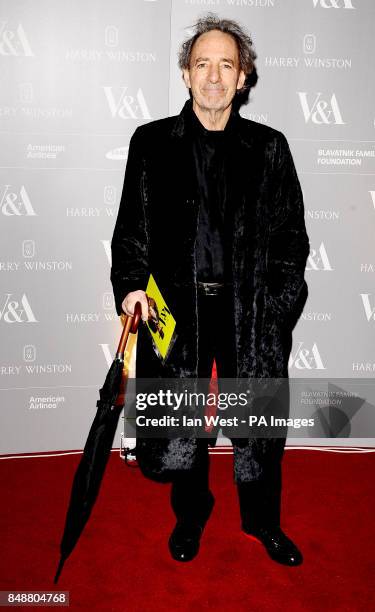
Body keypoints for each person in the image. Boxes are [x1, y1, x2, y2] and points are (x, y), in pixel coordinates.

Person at [110, 14, 310, 566]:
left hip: (249, 314)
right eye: (203, 64)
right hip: (178, 313)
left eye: (227, 64)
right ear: (186, 74)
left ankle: (263, 522)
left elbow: (292, 240)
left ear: (243, 76)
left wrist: (273, 309)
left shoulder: (270, 148)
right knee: (183, 426)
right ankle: (191, 515)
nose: (214, 76)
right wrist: (130, 288)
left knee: (259, 426)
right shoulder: (150, 144)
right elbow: (131, 231)